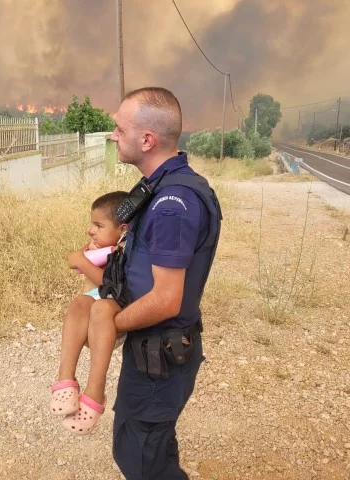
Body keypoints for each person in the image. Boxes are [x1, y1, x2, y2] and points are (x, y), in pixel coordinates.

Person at [100, 87, 222, 479]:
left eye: (120, 129)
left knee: (140, 459)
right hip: (155, 353)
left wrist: (108, 327)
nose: (113, 135)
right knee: (154, 453)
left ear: (147, 139)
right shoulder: (163, 187)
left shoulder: (172, 203)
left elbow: (167, 299)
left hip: (160, 360)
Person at [50, 191, 128, 434]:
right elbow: (74, 264)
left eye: (98, 225)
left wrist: (83, 262)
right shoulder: (102, 248)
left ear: (123, 230)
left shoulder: (125, 250)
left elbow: (110, 286)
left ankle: (95, 390)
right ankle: (66, 380)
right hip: (92, 306)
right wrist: (86, 255)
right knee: (78, 303)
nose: (90, 230)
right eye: (91, 223)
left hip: (111, 310)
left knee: (98, 306)